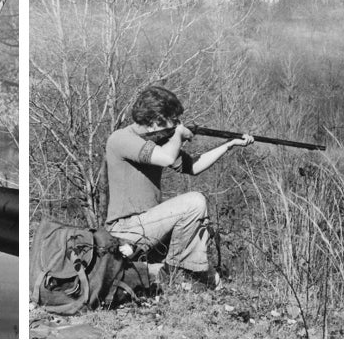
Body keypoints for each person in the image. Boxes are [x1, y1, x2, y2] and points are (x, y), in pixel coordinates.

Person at [104, 86, 253, 290]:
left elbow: (193, 167)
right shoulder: (121, 139)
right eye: (174, 120)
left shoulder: (161, 142)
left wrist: (229, 145)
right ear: (156, 121)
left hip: (150, 227)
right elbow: (166, 157)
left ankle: (174, 272)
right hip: (125, 229)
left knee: (214, 280)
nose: (178, 124)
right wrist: (178, 135)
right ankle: (177, 271)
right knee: (194, 201)